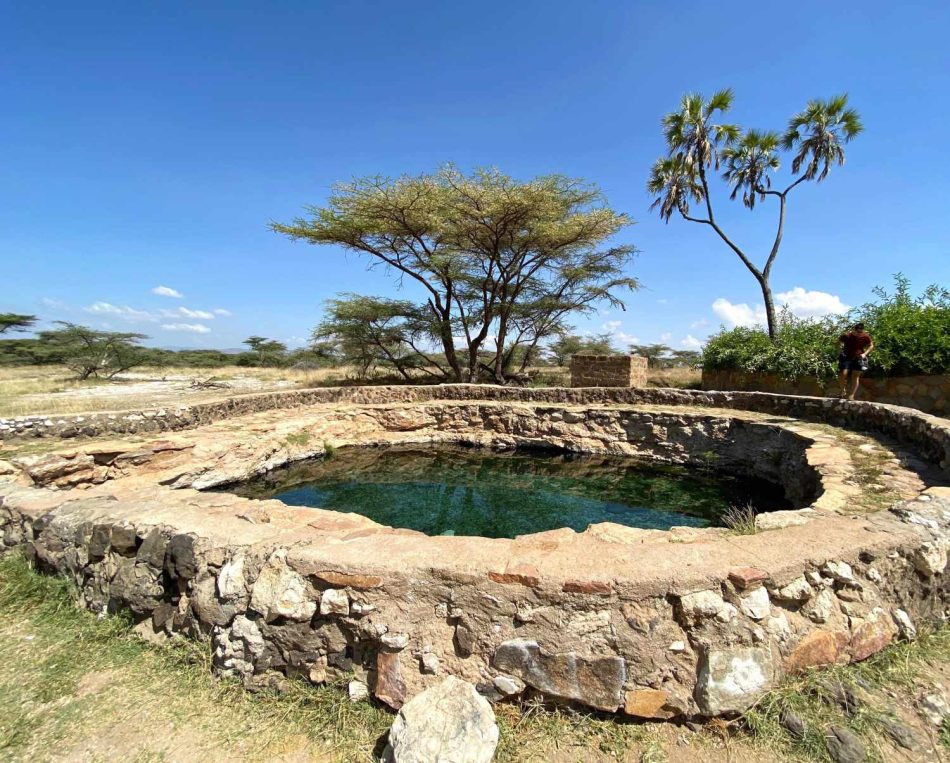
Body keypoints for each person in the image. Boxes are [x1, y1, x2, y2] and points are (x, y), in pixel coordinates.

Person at [838, 322, 874, 400]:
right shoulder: (847, 335)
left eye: (861, 331)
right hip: (846, 356)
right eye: (858, 332)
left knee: (855, 376)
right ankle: (843, 390)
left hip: (858, 358)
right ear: (854, 330)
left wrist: (865, 354)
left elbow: (871, 345)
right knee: (842, 374)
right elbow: (839, 341)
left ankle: (851, 395)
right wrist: (840, 347)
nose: (859, 333)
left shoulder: (865, 336)